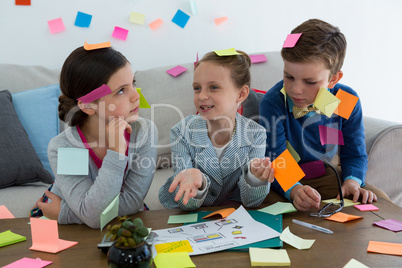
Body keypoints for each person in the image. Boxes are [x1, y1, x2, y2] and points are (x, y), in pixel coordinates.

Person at [259, 19, 387, 212]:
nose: (296, 89)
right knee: (267, 206)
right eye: (289, 77)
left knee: (379, 201)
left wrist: (352, 181)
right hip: (284, 182)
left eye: (310, 82)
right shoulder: (273, 102)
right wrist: (294, 190)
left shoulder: (346, 100)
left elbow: (354, 152)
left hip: (327, 176)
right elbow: (276, 156)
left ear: (333, 79)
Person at [34, 46, 158, 228]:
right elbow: (93, 215)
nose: (136, 95)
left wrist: (68, 213)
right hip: (64, 221)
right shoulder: (65, 146)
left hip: (67, 212)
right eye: (121, 90)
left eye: (133, 83)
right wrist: (116, 152)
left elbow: (132, 201)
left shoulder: (144, 131)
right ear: (88, 105)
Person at [159, 50, 274, 211]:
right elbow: (186, 202)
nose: (202, 96)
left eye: (213, 87)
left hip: (235, 217)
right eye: (197, 88)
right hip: (195, 215)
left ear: (241, 94)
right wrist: (199, 182)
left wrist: (254, 178)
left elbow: (252, 202)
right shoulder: (181, 132)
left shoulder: (256, 134)